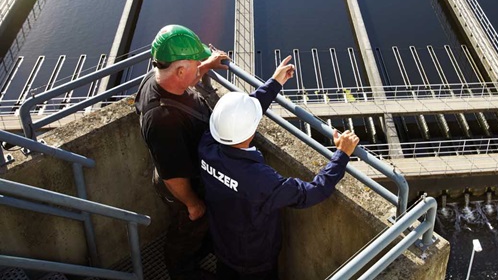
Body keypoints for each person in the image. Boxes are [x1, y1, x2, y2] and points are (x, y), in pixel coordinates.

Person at [199, 92, 360, 280]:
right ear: (252, 127)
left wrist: (275, 83)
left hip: (222, 244)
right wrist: (341, 155)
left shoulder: (206, 145)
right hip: (255, 259)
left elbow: (234, 118)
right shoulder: (261, 180)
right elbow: (312, 192)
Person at [135, 24, 230, 280]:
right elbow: (173, 176)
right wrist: (193, 204)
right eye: (194, 62)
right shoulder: (163, 120)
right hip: (182, 186)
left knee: (196, 226)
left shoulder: (156, 79)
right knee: (187, 229)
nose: (199, 66)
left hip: (181, 170)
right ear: (179, 69)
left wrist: (206, 64)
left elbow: (185, 76)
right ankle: (182, 271)